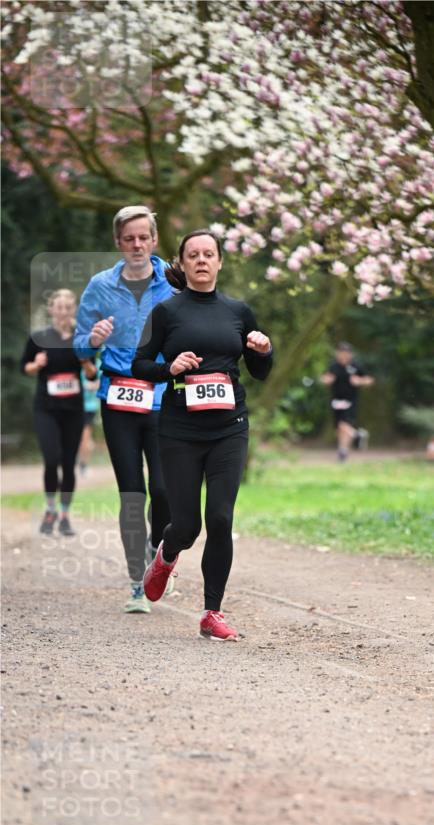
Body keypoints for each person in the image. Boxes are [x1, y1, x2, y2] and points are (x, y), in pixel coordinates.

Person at [132, 229, 273, 641]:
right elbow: (139, 365)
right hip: (179, 430)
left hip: (230, 427)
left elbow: (261, 372)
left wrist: (264, 350)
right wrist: (169, 368)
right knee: (187, 525)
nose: (201, 260)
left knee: (221, 517)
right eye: (193, 255)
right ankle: (167, 553)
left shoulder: (238, 311)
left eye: (208, 254)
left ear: (219, 262)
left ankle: (212, 612)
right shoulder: (165, 312)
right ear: (183, 262)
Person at [74, 205, 174, 613]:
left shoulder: (173, 280)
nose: (136, 244)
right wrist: (93, 339)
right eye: (128, 238)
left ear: (154, 240)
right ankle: (138, 580)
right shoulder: (100, 285)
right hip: (118, 398)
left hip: (164, 396)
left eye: (143, 237)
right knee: (132, 492)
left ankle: (156, 551)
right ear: (118, 242)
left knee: (165, 490)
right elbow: (80, 343)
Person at [21, 289, 97, 536]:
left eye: (68, 307)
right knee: (51, 459)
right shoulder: (39, 337)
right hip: (46, 408)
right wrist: (36, 364)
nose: (63, 311)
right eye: (59, 307)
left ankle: (64, 516)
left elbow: (92, 374)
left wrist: (85, 361)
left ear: (73, 310)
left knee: (68, 462)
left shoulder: (81, 338)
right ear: (51, 309)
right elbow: (26, 367)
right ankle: (50, 509)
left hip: (73, 410)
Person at [320, 341, 374, 461]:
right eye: (341, 353)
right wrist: (327, 380)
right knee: (339, 429)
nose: (343, 356)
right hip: (336, 401)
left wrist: (359, 381)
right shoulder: (333, 366)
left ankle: (357, 436)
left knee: (344, 425)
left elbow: (369, 380)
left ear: (351, 354)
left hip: (350, 401)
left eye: (346, 353)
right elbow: (325, 378)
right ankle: (343, 451)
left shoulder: (356, 366)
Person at [78, 358, 101, 476]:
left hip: (89, 407)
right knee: (84, 439)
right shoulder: (76, 360)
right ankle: (82, 464)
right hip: (74, 406)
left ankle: (83, 465)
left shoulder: (98, 363)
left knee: (85, 438)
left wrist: (87, 385)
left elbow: (101, 382)